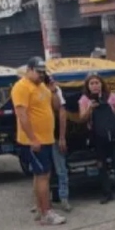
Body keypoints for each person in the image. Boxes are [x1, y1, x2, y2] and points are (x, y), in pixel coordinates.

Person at [12, 57, 66, 226]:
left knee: (40, 174)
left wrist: (54, 91)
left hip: (47, 138)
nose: (41, 75)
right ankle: (46, 212)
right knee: (43, 176)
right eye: (38, 72)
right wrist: (33, 138)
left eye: (43, 72)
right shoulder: (21, 87)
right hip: (35, 141)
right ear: (29, 70)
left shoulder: (42, 86)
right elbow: (22, 115)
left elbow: (55, 107)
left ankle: (40, 208)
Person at [79, 73, 115, 203]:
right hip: (98, 138)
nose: (95, 86)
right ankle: (107, 193)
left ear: (101, 84)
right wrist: (90, 108)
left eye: (97, 83)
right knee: (102, 167)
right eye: (92, 83)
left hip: (114, 136)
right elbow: (82, 118)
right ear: (88, 86)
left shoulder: (111, 97)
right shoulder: (84, 100)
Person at [47, 75, 71, 212]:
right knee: (42, 172)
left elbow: (60, 110)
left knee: (61, 169)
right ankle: (43, 201)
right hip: (41, 136)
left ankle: (64, 198)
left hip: (54, 135)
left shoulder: (56, 91)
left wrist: (54, 91)